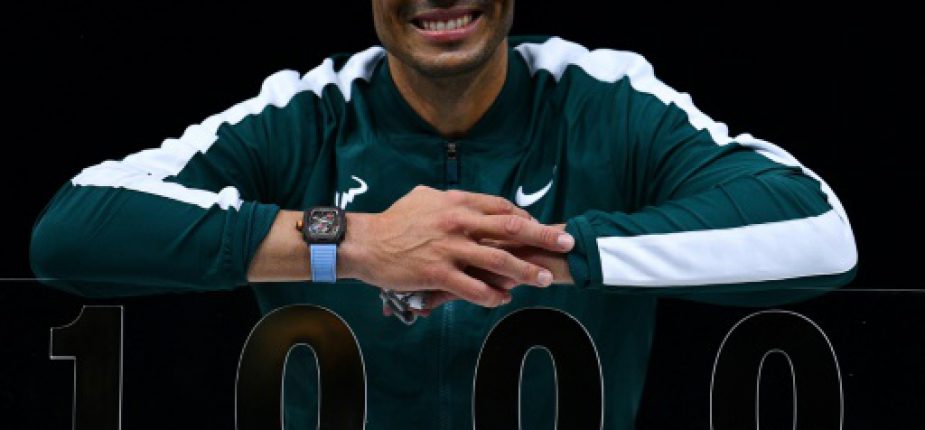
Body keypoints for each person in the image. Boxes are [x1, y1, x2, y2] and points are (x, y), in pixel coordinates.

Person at [29, 0, 858, 428]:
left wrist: (538, 252)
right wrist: (357, 242)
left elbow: (815, 230)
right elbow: (74, 229)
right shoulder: (307, 112)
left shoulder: (601, 98)